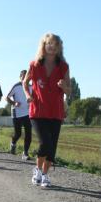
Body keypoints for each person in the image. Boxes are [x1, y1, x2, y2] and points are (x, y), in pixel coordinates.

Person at [22, 33, 70, 187]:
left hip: (56, 112)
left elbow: (69, 91)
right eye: (49, 43)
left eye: (55, 44)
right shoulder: (34, 64)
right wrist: (28, 94)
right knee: (45, 142)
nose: (52, 47)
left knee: (52, 146)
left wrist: (64, 87)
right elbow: (25, 82)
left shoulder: (63, 67)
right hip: (38, 111)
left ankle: (44, 175)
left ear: (59, 47)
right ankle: (37, 168)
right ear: (44, 45)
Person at [6, 70, 32, 160]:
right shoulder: (16, 86)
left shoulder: (31, 86)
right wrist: (14, 103)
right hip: (17, 113)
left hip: (28, 113)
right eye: (23, 76)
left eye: (26, 76)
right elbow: (7, 97)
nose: (25, 78)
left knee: (29, 133)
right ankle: (13, 143)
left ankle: (25, 153)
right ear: (20, 77)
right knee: (18, 133)